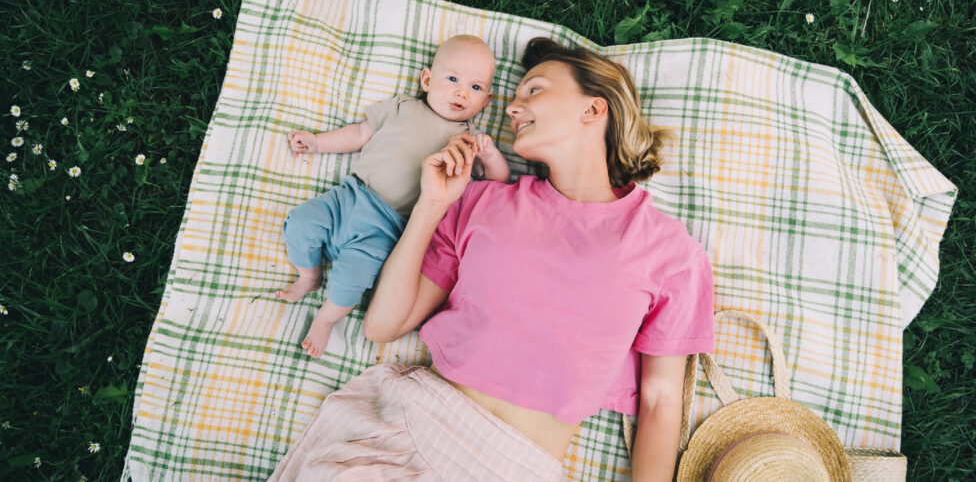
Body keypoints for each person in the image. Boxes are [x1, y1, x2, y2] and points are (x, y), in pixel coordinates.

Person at [269, 37, 715, 481]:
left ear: (593, 110)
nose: (512, 108)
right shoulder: (481, 202)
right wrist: (430, 206)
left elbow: (660, 401)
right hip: (405, 433)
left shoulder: (671, 252)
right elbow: (382, 326)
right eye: (514, 97)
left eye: (534, 90)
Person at [275, 34, 511, 358]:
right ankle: (309, 275)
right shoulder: (401, 106)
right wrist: (317, 142)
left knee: (354, 275)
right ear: (427, 80)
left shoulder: (467, 142)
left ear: (486, 102)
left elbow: (498, 181)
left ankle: (326, 319)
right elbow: (359, 134)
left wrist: (490, 155)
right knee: (300, 223)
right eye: (453, 79)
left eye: (475, 87)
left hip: (389, 227)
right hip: (350, 196)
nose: (461, 91)